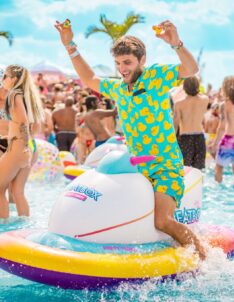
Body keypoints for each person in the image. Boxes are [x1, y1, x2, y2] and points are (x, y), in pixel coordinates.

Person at [55, 19, 206, 259]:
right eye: (118, 63)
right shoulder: (119, 89)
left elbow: (190, 69)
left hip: (164, 166)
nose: (122, 68)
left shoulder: (155, 77)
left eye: (127, 62)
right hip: (135, 170)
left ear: (141, 60)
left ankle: (204, 259)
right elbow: (90, 79)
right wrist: (70, 45)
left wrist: (175, 43)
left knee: (162, 220)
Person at [0, 65, 44, 219]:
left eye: (5, 76)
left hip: (18, 148)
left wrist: (22, 145)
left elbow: (23, 122)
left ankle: (3, 229)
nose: (3, 79)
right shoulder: (24, 95)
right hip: (26, 147)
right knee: (17, 192)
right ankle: (24, 225)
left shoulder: (13, 94)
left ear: (13, 79)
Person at [210, 76, 234, 183]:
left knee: (219, 168)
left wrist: (215, 143)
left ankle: (218, 195)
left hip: (229, 139)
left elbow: (222, 127)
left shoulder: (225, 105)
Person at [174, 76, 209, 169]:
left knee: (184, 168)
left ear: (184, 87)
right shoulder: (205, 100)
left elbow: (175, 125)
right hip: (199, 137)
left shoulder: (179, 103)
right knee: (199, 169)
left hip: (185, 138)